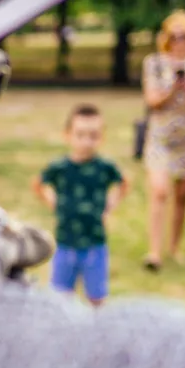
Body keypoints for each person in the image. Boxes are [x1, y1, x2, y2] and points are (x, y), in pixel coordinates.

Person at [33, 104, 128, 306]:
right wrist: (53, 202)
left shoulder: (104, 167)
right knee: (60, 297)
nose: (86, 141)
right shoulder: (60, 167)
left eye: (93, 136)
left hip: (95, 242)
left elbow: (123, 182)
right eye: (80, 135)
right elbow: (39, 184)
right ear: (67, 135)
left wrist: (111, 204)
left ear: (102, 137)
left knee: (97, 297)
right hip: (65, 241)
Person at [141, 9, 185, 271]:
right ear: (166, 37)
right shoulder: (155, 62)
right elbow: (152, 101)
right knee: (160, 191)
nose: (179, 41)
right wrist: (172, 89)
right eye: (174, 35)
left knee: (182, 195)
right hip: (160, 136)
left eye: (184, 36)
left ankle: (175, 247)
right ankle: (154, 252)